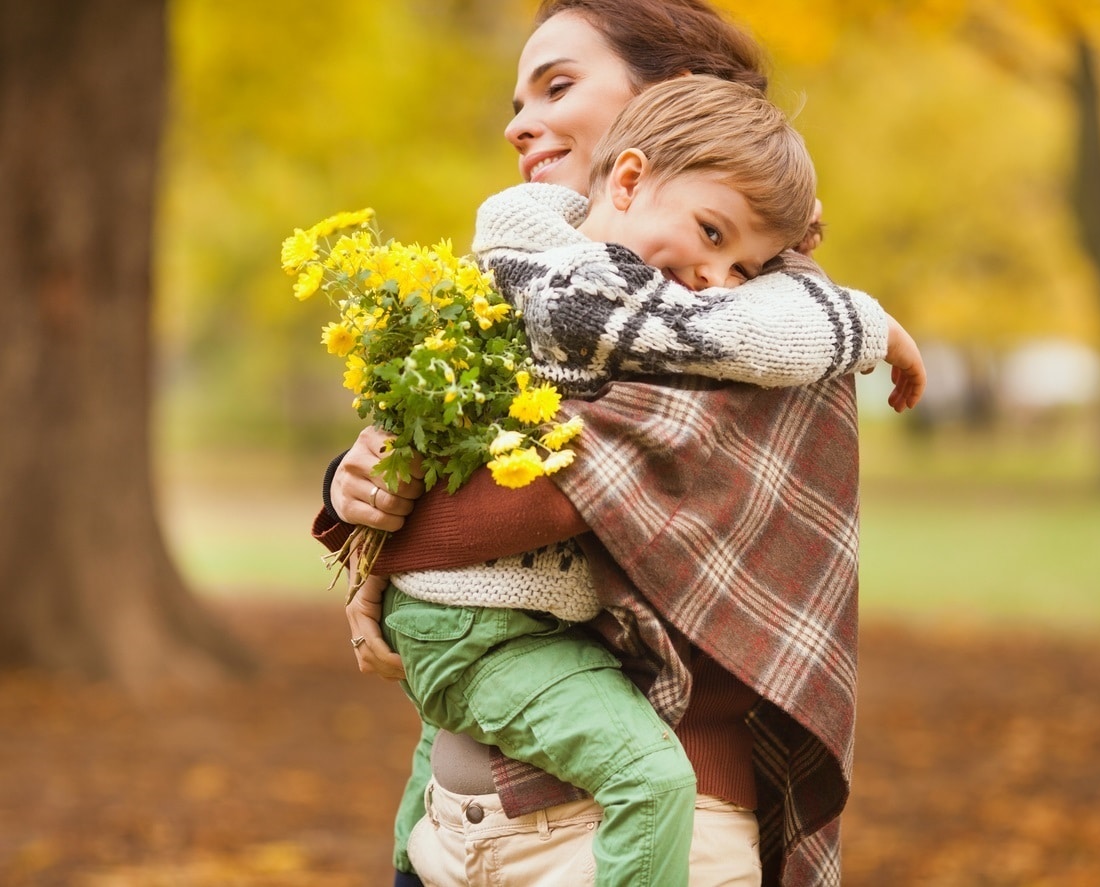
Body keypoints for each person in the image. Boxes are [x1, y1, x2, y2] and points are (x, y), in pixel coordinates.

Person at [320, 1, 923, 885]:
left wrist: (389, 542)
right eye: (517, 94)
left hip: (622, 831)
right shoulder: (583, 272)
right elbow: (467, 460)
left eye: (556, 84)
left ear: (672, 98)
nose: (517, 121)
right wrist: (357, 477)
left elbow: (506, 507)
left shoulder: (755, 319)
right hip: (459, 829)